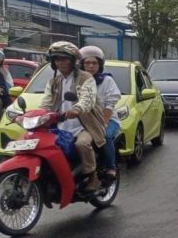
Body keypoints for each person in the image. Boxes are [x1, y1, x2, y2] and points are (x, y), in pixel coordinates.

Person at [40, 42, 107, 192]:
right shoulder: (54, 82)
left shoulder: (86, 77)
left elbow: (87, 99)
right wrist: (35, 114)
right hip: (61, 126)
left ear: (73, 61)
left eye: (64, 59)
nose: (60, 63)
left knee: (82, 144)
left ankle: (92, 177)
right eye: (57, 59)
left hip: (85, 125)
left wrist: (77, 109)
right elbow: (46, 103)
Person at [79, 46, 122, 178]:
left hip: (107, 120)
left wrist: (103, 124)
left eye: (94, 63)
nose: (91, 66)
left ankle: (111, 166)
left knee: (105, 136)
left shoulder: (107, 81)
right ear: (82, 64)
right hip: (83, 121)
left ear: (100, 65)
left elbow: (109, 106)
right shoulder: (78, 81)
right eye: (87, 63)